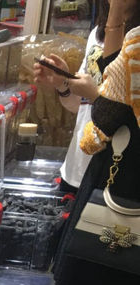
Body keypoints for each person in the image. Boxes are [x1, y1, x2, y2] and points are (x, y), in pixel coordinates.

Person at [34, 7, 140, 285]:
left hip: (124, 197)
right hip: (126, 192)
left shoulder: (137, 43)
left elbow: (97, 130)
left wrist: (92, 92)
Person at [34, 0, 140, 192]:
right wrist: (63, 83)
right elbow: (79, 107)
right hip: (76, 169)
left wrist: (94, 95)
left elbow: (127, 118)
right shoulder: (97, 35)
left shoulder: (135, 42)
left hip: (115, 175)